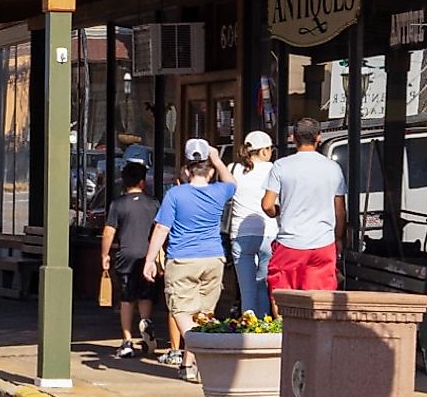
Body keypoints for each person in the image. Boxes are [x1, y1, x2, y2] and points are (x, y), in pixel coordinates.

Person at [142, 139, 232, 377]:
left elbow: (162, 228)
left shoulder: (175, 195)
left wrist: (150, 259)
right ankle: (188, 365)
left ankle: (200, 354)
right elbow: (232, 182)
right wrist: (217, 157)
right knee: (202, 314)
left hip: (182, 259)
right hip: (213, 258)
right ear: (210, 169)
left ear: (185, 170)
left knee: (181, 311)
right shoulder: (220, 191)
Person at [263, 117, 347, 296]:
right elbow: (340, 210)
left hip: (290, 243)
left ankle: (282, 325)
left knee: (282, 294)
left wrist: (277, 211)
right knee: (319, 299)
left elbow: (267, 204)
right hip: (323, 243)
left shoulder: (281, 166)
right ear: (319, 138)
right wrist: (338, 238)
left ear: (293, 138)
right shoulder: (333, 168)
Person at [98, 161, 160, 358]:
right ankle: (146, 325)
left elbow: (109, 232)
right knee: (145, 295)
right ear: (142, 182)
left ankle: (127, 341)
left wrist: (104, 254)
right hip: (147, 256)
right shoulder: (153, 204)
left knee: (127, 298)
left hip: (125, 256)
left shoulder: (118, 204)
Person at [228, 130, 277, 315]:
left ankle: (248, 331)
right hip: (269, 232)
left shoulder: (234, 169)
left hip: (241, 234)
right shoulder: (274, 169)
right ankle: (264, 328)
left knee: (246, 292)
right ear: (264, 150)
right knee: (264, 287)